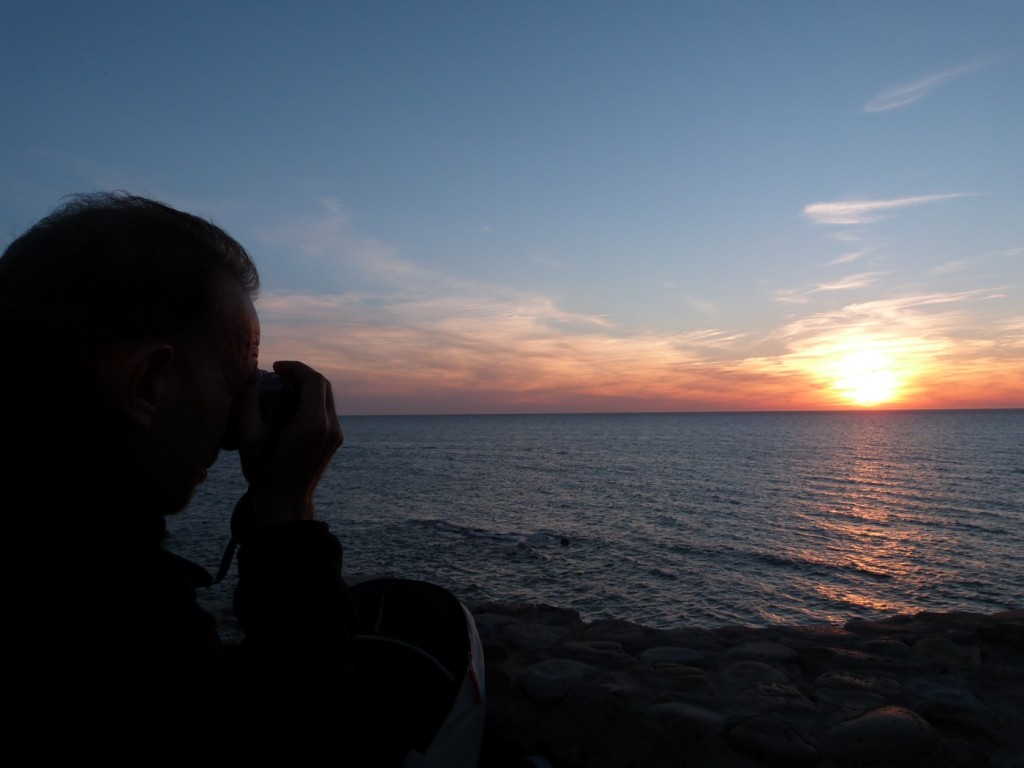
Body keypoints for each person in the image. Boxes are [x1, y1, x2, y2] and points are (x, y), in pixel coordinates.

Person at [1, 192, 364, 759]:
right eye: (237, 383)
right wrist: (287, 515)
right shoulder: (111, 612)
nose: (238, 427)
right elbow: (317, 738)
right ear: (146, 386)